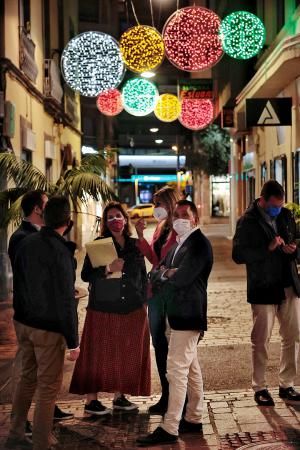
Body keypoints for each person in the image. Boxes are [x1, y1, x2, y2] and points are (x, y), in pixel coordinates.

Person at [5, 196, 79, 450]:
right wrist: (73, 341)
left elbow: (21, 283)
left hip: (24, 322)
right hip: (48, 328)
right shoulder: (61, 251)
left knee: (27, 379)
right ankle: (40, 444)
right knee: (48, 389)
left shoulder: (25, 242)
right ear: (67, 222)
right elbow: (66, 300)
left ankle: (15, 434)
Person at [137, 200, 213, 446]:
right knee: (190, 369)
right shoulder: (179, 245)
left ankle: (170, 427)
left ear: (195, 219)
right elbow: (157, 271)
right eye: (176, 215)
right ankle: (193, 418)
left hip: (188, 315)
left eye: (185, 215)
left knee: (176, 370)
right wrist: (166, 272)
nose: (179, 219)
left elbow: (182, 279)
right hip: (176, 313)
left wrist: (168, 274)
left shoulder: (199, 244)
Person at [70, 201, 150, 414]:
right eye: (110, 217)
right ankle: (91, 400)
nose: (115, 220)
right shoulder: (99, 244)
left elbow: (142, 274)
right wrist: (107, 269)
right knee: (97, 353)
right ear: (105, 223)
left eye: (118, 216)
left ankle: (120, 396)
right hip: (103, 307)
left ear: (125, 219)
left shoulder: (135, 245)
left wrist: (144, 302)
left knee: (125, 353)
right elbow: (86, 274)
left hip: (132, 307)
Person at [232, 180, 300, 406]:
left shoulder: (286, 216)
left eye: (280, 206)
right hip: (263, 286)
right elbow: (238, 255)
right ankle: (260, 386)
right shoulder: (247, 221)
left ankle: (287, 383)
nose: (278, 210)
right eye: (274, 206)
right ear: (262, 200)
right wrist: (267, 249)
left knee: (292, 334)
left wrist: (293, 250)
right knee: (261, 339)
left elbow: (296, 241)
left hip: (287, 283)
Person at [135, 186, 180, 414]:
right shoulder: (160, 228)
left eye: (158, 204)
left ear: (169, 204)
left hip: (172, 294)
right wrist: (141, 237)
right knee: (159, 346)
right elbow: (154, 258)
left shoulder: (180, 227)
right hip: (156, 294)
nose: (155, 209)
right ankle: (166, 395)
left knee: (175, 348)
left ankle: (179, 397)